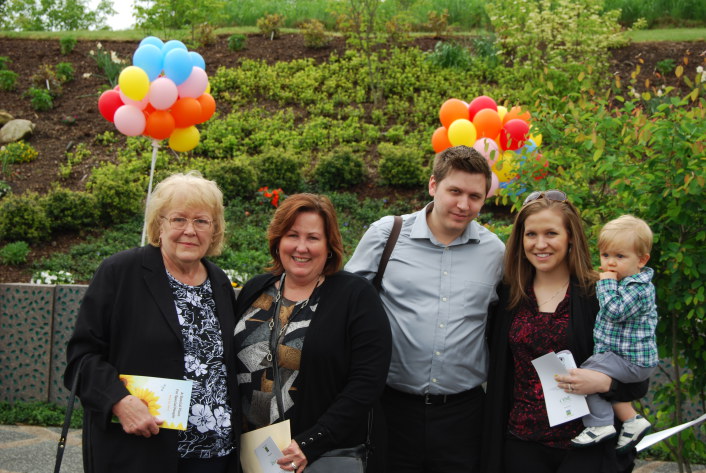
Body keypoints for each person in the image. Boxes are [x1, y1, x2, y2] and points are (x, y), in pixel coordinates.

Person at [64, 171, 240, 473]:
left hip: (215, 456)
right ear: (159, 225)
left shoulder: (219, 282)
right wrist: (118, 400)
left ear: (214, 230)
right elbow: (82, 358)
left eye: (201, 221)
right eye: (178, 219)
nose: (190, 230)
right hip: (142, 454)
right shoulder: (121, 272)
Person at [345, 145, 505, 473]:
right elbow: (344, 304)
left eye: (475, 196)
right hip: (391, 408)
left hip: (463, 416)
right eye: (455, 191)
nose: (464, 205)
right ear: (434, 185)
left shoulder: (495, 252)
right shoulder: (387, 235)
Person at [483, 190, 649, 473]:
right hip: (522, 443)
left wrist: (604, 383)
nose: (540, 244)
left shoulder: (599, 295)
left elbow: (637, 374)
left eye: (551, 233)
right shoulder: (509, 296)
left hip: (587, 445)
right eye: (531, 234)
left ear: (570, 236)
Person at [233, 193, 392, 473]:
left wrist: (314, 441)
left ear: (329, 245)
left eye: (313, 238)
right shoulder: (256, 289)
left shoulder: (355, 296)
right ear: (278, 241)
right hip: (254, 456)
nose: (301, 247)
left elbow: (367, 381)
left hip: (321, 455)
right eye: (292, 235)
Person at [570, 215, 657, 451]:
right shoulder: (625, 283)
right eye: (605, 255)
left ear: (641, 260)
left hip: (632, 361)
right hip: (624, 358)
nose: (610, 263)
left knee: (587, 375)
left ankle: (600, 424)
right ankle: (632, 420)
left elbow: (614, 311)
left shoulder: (638, 288)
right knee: (599, 379)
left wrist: (606, 283)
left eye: (620, 256)